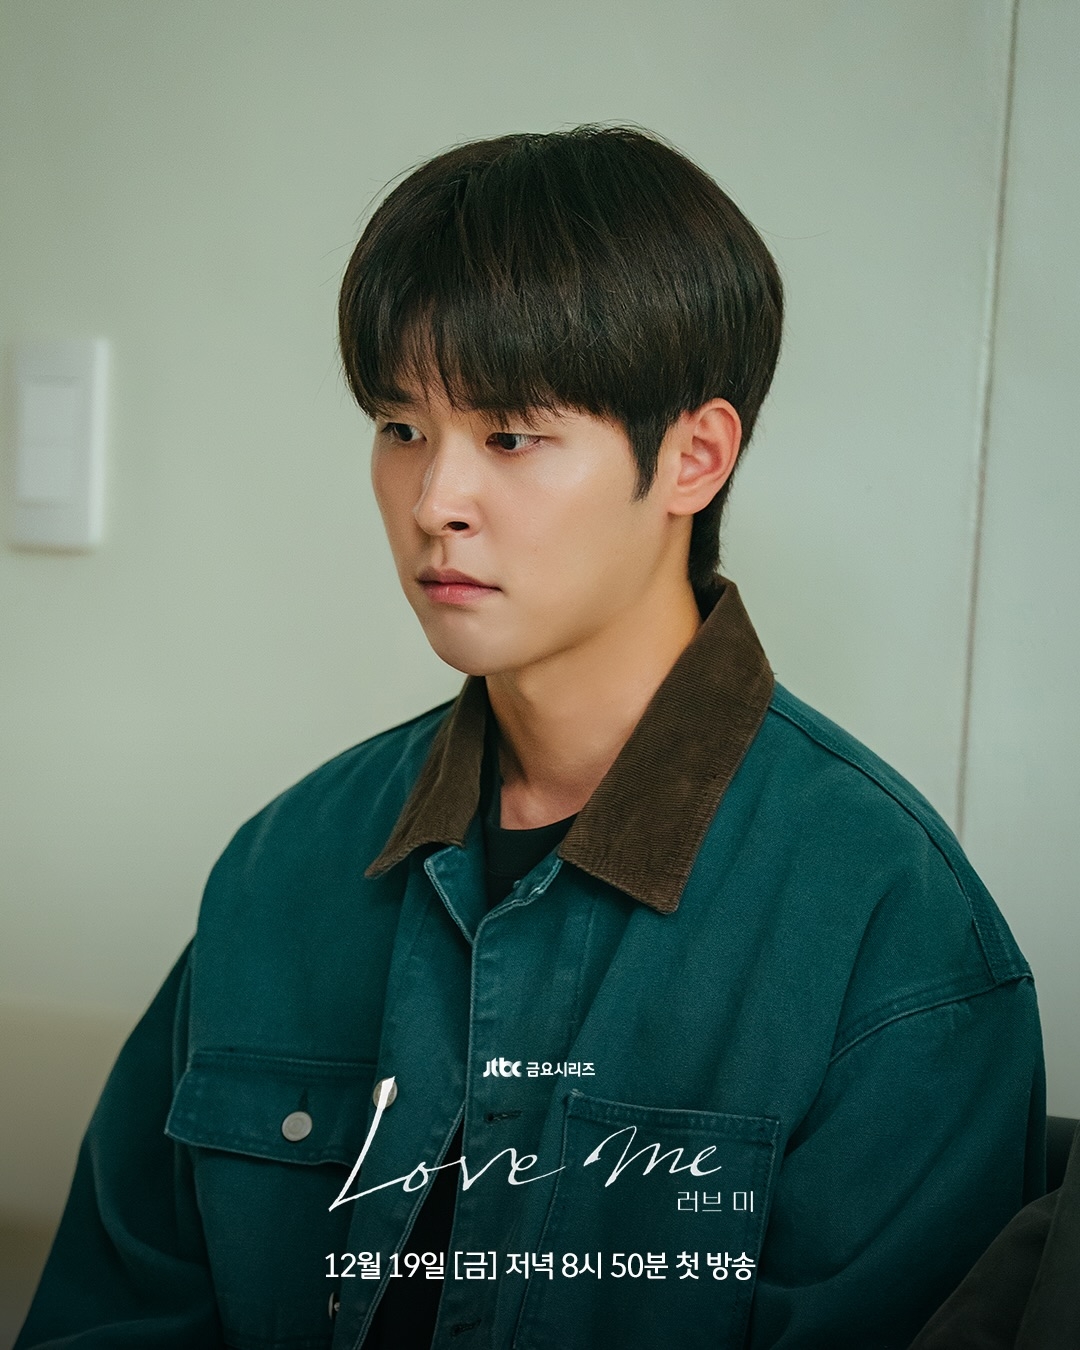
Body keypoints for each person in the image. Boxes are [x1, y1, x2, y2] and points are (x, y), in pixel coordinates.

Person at [16, 125, 1045, 1350]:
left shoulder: (892, 932)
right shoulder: (284, 867)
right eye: (401, 427)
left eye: (509, 436)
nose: (435, 502)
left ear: (693, 459)